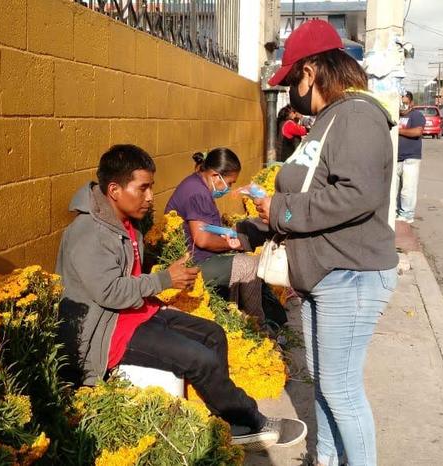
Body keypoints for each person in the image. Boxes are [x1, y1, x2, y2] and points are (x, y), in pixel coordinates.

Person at [55, 144, 306, 450]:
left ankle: (227, 416)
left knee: (213, 334)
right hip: (106, 332)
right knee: (198, 358)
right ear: (114, 190)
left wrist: (164, 282)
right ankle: (248, 421)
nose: (150, 197)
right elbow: (110, 292)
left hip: (135, 313)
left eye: (152, 188)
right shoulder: (88, 232)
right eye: (143, 188)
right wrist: (164, 279)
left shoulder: (124, 220)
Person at [257, 19, 398, 466]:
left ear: (313, 69)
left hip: (350, 274)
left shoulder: (356, 115)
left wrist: (282, 211)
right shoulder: (330, 118)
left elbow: (357, 194)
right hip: (327, 273)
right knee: (327, 385)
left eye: (292, 79)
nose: (290, 92)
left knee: (342, 390)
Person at [165, 148, 287, 326]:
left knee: (246, 262)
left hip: (200, 258)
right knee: (250, 265)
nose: (229, 189)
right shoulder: (197, 192)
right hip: (193, 264)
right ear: (215, 176)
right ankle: (257, 326)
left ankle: (244, 318)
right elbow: (203, 239)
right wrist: (234, 245)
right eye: (229, 183)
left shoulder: (197, 185)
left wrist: (229, 237)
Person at [396, 91, 425, 224]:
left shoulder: (416, 115)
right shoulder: (394, 115)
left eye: (405, 102)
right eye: (401, 102)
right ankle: (396, 211)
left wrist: (398, 131)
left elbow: (417, 131)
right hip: (396, 157)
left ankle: (407, 214)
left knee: (408, 188)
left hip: (411, 158)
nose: (403, 105)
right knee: (394, 188)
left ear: (411, 103)